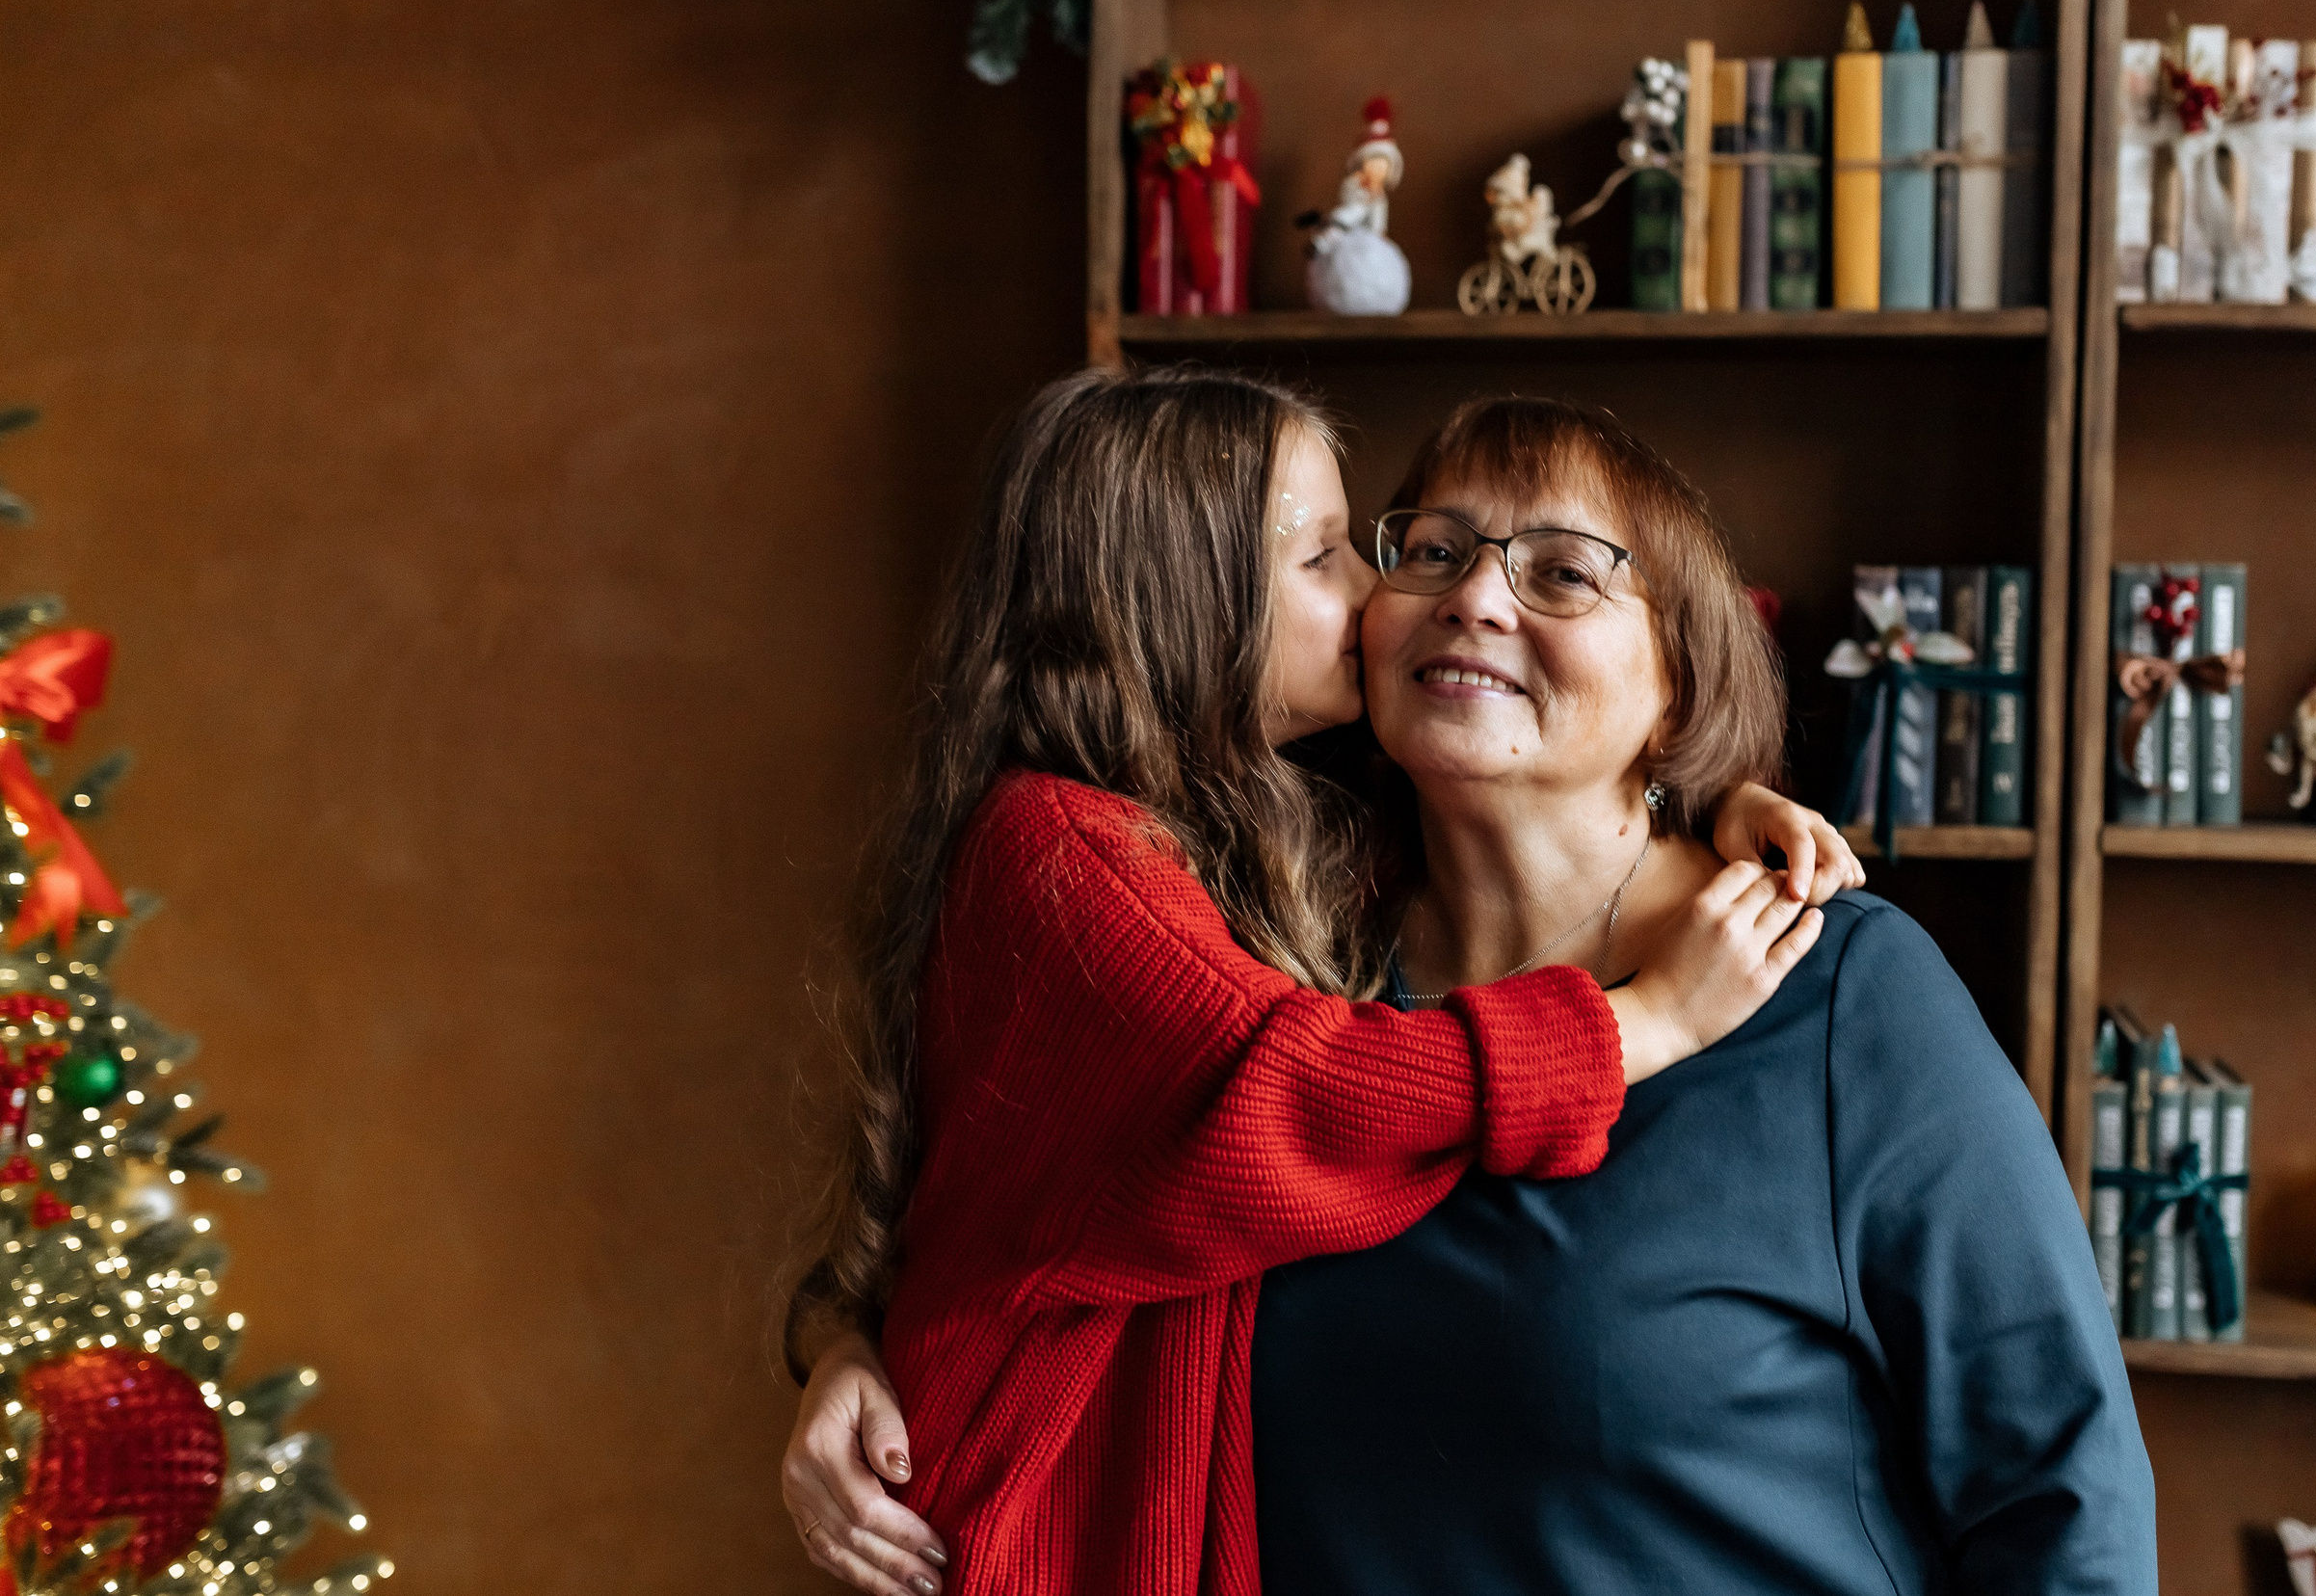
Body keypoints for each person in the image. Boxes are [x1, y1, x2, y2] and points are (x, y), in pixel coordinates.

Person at [778, 366, 1859, 1596]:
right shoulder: (1063, 847)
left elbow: (1524, 765)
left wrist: (1711, 797)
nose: (1378, 597)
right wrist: (1639, 1024)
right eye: (1327, 556)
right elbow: (1296, 1085)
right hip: (1040, 1526)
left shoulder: (1277, 825)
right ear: (1181, 603)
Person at [1243, 398, 2154, 1593]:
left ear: (1676, 682)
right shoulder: (1272, 965)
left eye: (1563, 571)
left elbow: (2063, 1489)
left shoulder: (1839, 992)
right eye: (1432, 551)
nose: (1475, 596)